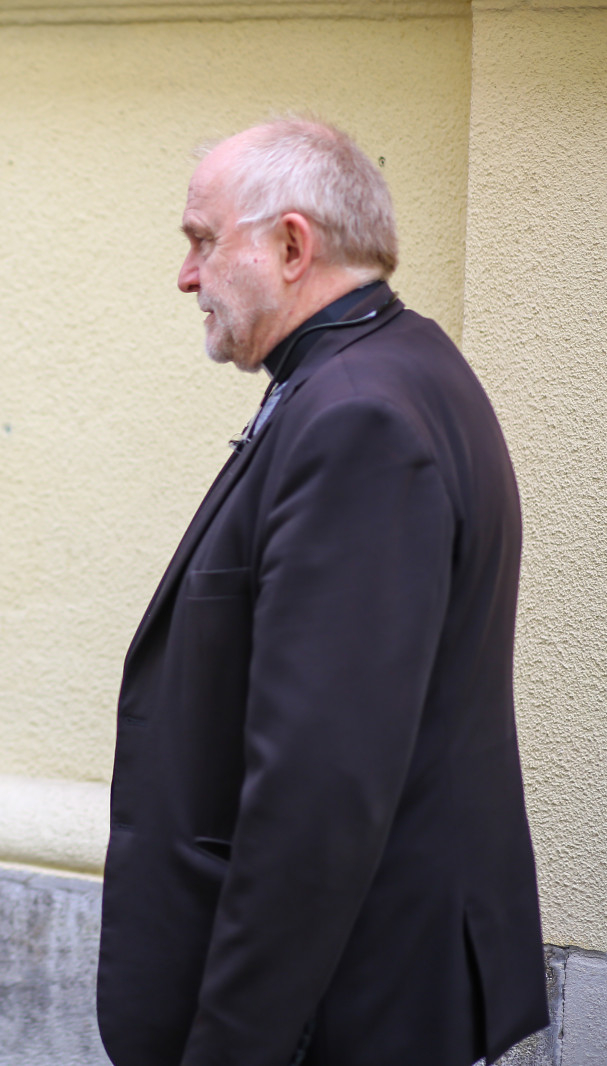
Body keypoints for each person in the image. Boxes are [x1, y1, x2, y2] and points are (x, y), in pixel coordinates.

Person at [96, 118, 548, 1066]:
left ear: (292, 247)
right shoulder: (391, 366)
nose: (186, 275)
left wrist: (232, 1047)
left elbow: (319, 792)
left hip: (346, 1005)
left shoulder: (357, 418)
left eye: (202, 240)